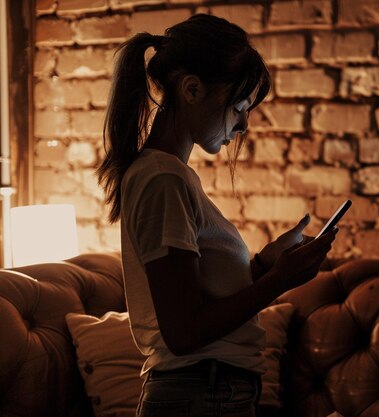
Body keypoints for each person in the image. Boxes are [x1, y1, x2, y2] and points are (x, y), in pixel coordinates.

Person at [96, 13, 338, 417]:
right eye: (239, 106)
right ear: (192, 89)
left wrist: (262, 265)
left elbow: (201, 298)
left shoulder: (172, 177)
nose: (243, 123)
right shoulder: (162, 180)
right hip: (199, 393)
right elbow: (184, 332)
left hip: (208, 391)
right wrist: (278, 282)